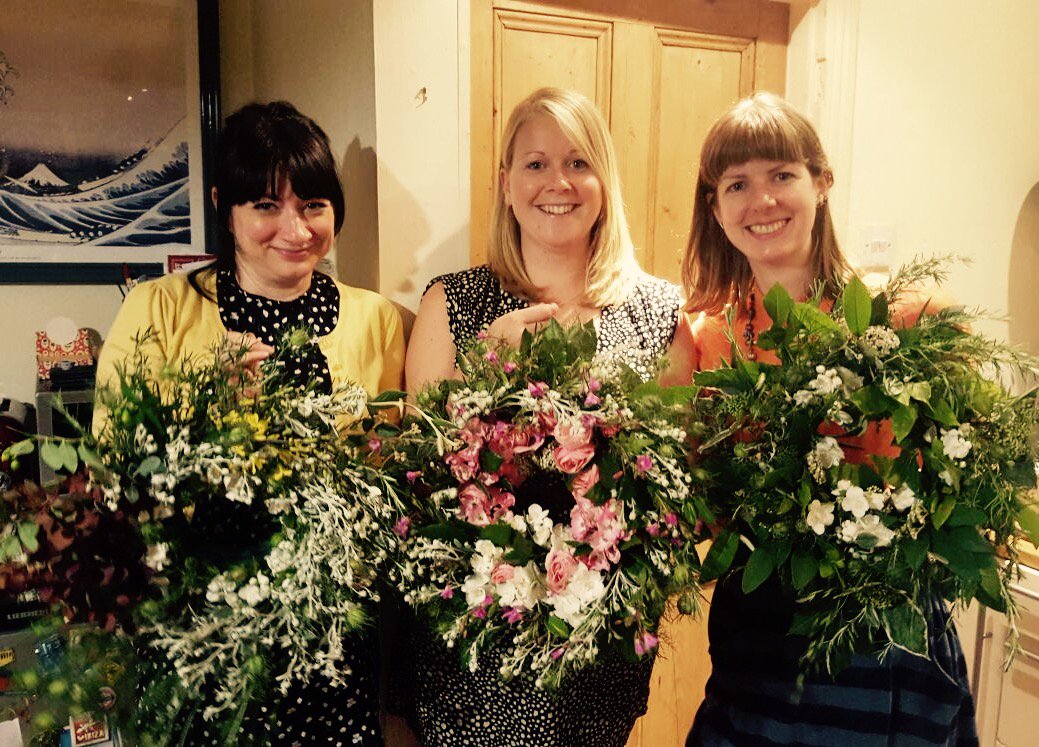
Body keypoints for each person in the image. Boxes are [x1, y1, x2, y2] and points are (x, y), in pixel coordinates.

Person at [94, 101, 405, 745]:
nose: (295, 229)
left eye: (313, 204)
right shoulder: (162, 307)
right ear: (224, 206)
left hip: (329, 629)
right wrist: (204, 406)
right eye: (266, 205)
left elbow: (389, 464)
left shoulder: (376, 319)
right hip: (203, 624)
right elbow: (114, 461)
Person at [677, 92, 976, 746]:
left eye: (781, 175)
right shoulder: (705, 338)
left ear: (821, 182)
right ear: (714, 206)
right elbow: (703, 506)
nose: (762, 201)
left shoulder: (909, 314)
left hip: (886, 650)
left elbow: (971, 477)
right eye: (737, 183)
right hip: (757, 650)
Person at [396, 87, 690, 746]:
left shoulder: (658, 313)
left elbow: (673, 483)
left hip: (596, 646)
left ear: (603, 182)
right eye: (534, 164)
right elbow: (416, 471)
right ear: (505, 183)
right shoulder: (455, 302)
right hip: (473, 650)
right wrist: (483, 374)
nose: (557, 182)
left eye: (578, 162)